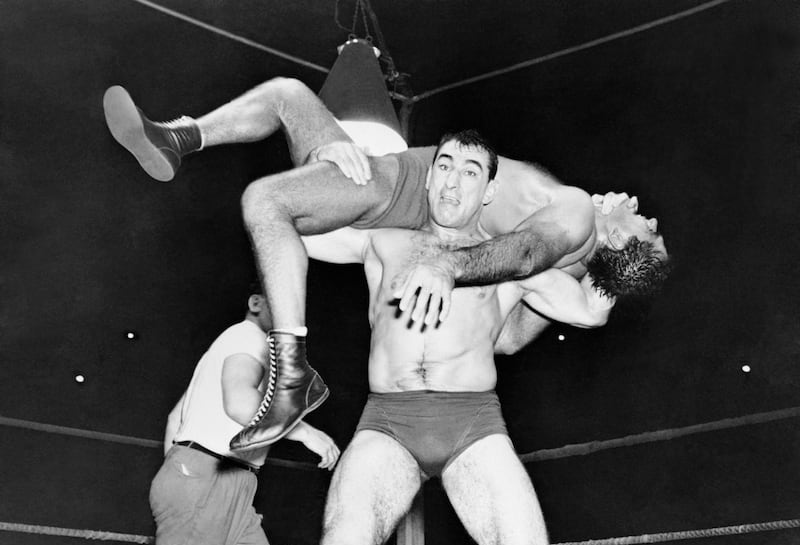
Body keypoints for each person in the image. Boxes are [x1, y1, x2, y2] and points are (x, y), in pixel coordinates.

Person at [103, 78, 668, 450]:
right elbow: (517, 317)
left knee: (276, 165)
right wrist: (592, 296)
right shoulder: (570, 253)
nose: (641, 206)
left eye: (648, 226)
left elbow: (515, 297)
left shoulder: (577, 217)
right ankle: (176, 138)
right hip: (406, 193)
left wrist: (451, 272)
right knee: (289, 117)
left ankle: (292, 373)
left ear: (620, 239)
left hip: (413, 189)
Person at [299, 130, 662, 545]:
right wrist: (323, 159)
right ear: (428, 178)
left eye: (470, 172)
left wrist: (615, 238)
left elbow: (590, 311)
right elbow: (299, 227)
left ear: (489, 191)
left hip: (471, 426)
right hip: (387, 422)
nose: (453, 181)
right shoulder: (383, 241)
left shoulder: (507, 262)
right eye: (444, 166)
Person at [110, 284, 340, 545]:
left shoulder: (230, 347)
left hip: (221, 482)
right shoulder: (249, 337)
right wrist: (306, 432)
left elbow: (175, 418)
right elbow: (240, 403)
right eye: (281, 301)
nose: (290, 312)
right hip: (211, 475)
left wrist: (182, 472)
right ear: (256, 303)